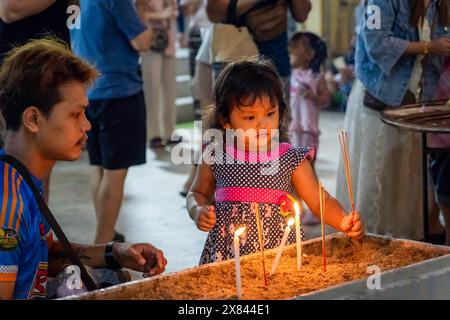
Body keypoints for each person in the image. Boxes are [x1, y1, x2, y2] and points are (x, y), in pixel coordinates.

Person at [0, 38, 167, 300]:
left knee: (113, 277)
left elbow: (41, 255)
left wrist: (116, 252)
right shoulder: (6, 203)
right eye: (75, 114)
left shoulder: (23, 178)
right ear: (33, 119)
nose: (87, 126)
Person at [186, 58, 364, 264]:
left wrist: (343, 220)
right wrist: (197, 210)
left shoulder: (289, 158)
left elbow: (319, 201)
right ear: (226, 121)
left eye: (270, 113)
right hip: (226, 258)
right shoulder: (215, 155)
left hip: (280, 258)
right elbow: (196, 193)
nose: (262, 124)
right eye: (250, 118)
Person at [336, 0, 450, 241]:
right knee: (376, 174)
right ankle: (370, 244)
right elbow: (376, 42)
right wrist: (428, 47)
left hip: (415, 100)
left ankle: (404, 243)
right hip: (382, 94)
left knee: (406, 178)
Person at [71, 0, 153, 243]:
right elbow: (143, 41)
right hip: (118, 92)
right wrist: (143, 7)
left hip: (88, 91)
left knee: (98, 167)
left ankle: (105, 230)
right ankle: (103, 244)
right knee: (115, 172)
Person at [0, 0, 77, 201]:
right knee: (16, 166)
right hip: (18, 73)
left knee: (40, 163)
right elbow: (9, 9)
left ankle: (37, 228)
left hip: (48, 68)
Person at [206, 0, 312, 100]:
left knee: (279, 116)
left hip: (277, 62)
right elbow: (213, 12)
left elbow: (302, 15)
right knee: (235, 114)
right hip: (236, 63)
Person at [288, 31, 330, 225]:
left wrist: (313, 96)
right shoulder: (292, 75)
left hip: (308, 133)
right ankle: (298, 209)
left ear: (310, 54)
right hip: (293, 131)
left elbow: (326, 99)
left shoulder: (317, 78)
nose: (291, 52)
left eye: (296, 48)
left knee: (308, 172)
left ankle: (317, 208)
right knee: (292, 172)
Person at [136, 0, 178, 148]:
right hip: (149, 41)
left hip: (169, 41)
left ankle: (170, 131)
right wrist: (161, 15)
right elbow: (141, 15)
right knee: (151, 89)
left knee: (170, 88)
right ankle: (154, 134)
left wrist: (156, 15)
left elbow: (173, 12)